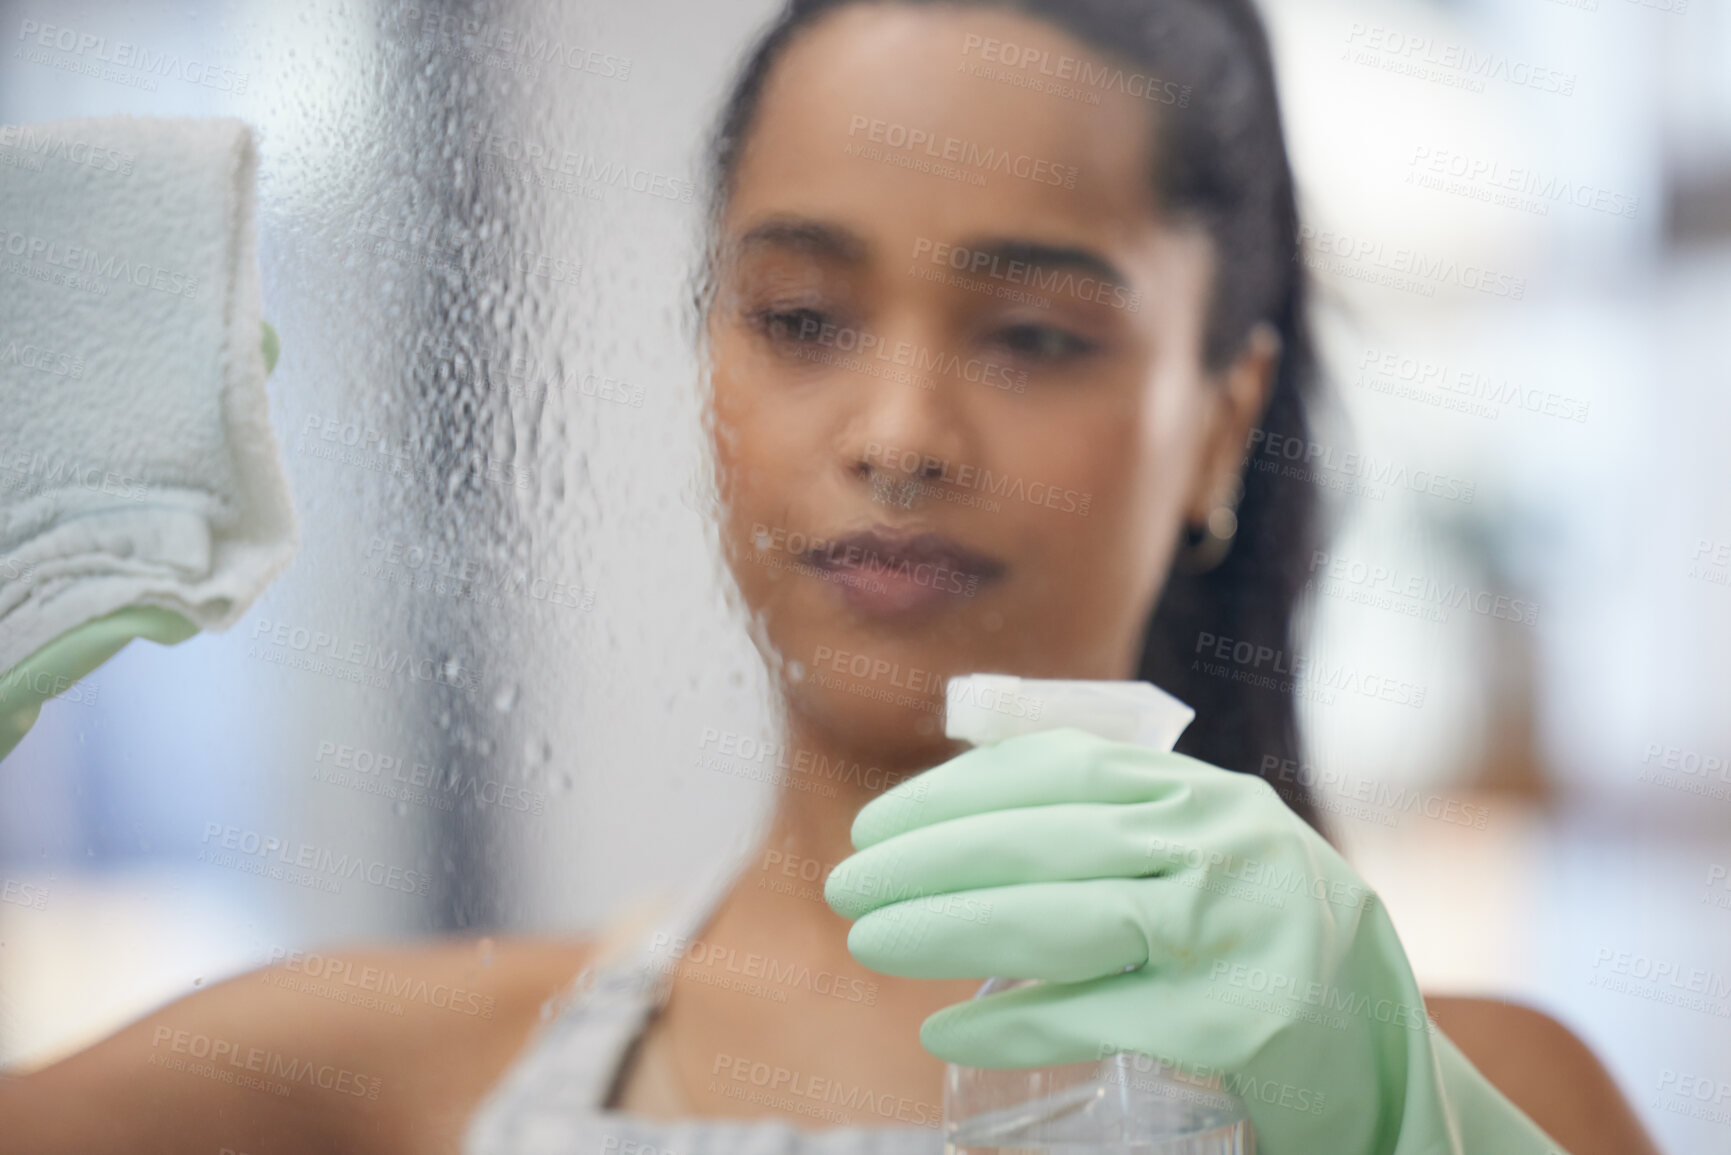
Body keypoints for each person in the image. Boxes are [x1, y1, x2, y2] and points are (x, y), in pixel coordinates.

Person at [0, 2, 1660, 1153]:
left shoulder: (1477, 1097)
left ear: (1223, 424)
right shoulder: (357, 1084)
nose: (900, 433)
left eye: (1034, 334)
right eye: (799, 316)